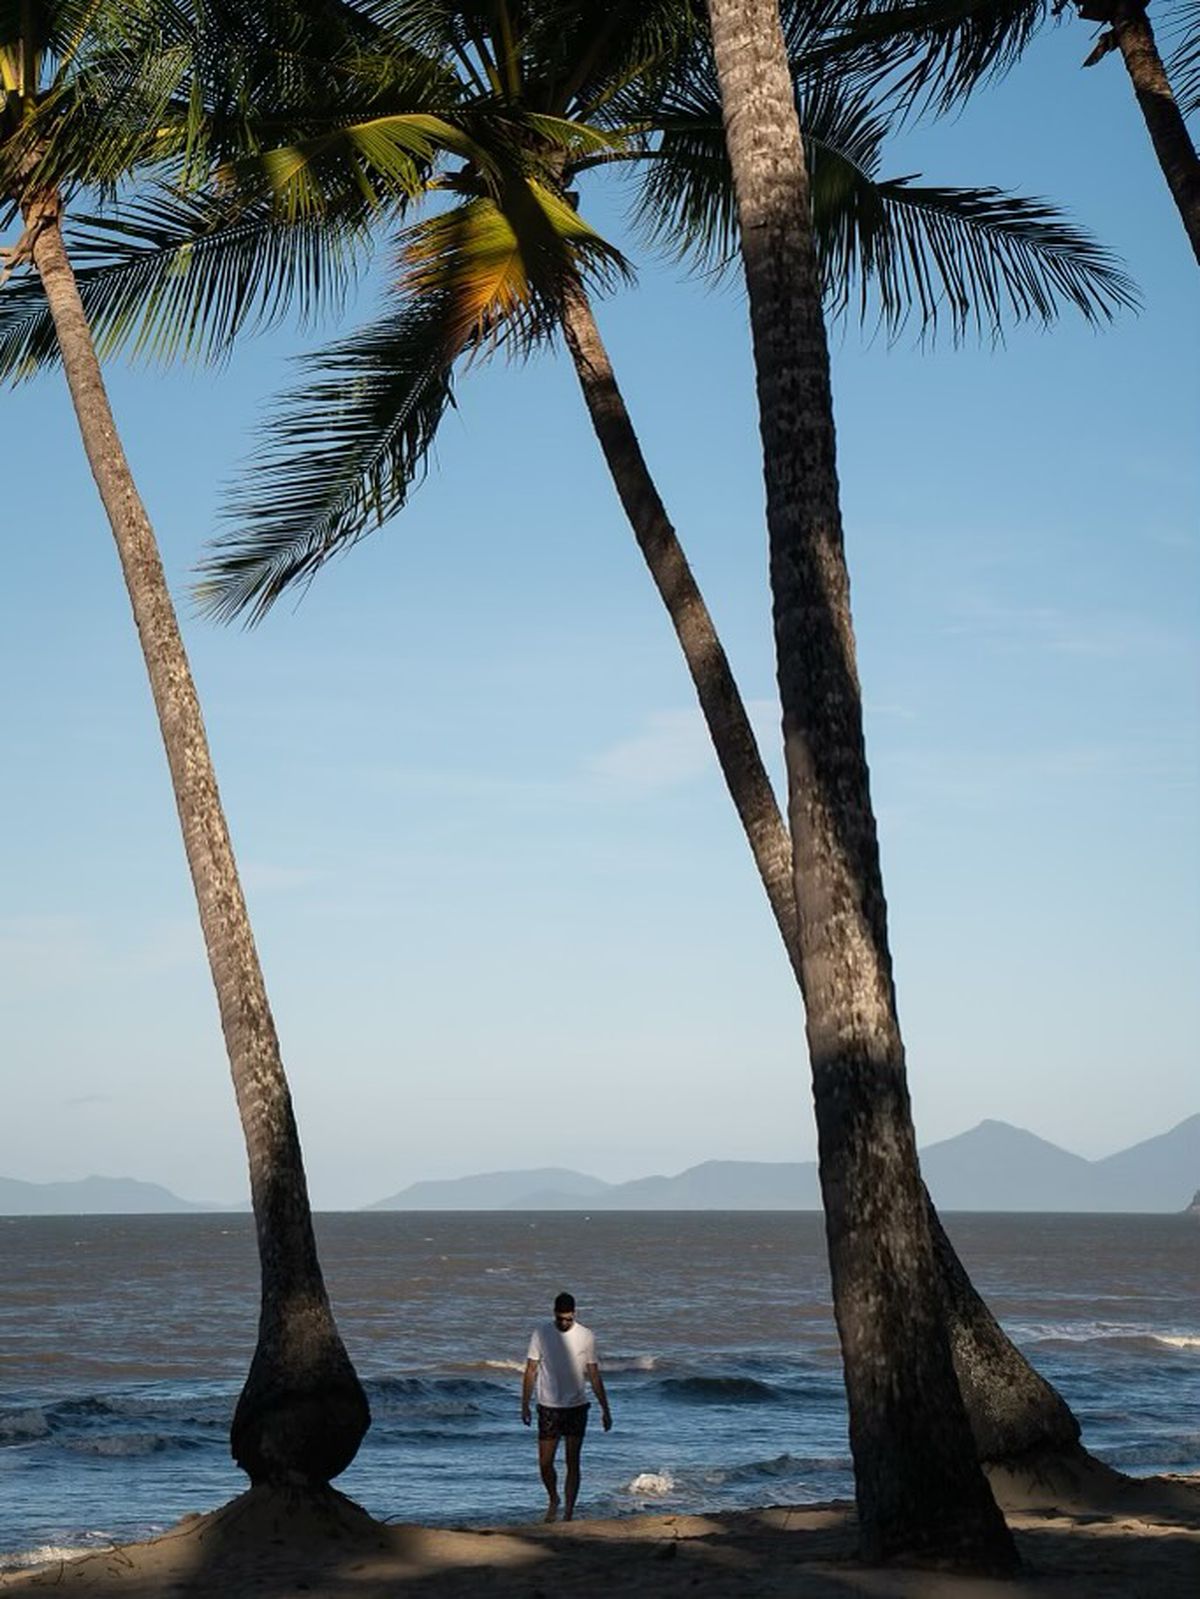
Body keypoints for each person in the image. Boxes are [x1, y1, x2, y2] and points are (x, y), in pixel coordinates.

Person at [521, 1290, 612, 1521]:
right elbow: (531, 1369)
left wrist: (605, 1408)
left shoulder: (586, 1335)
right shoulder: (541, 1333)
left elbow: (593, 1373)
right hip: (548, 1406)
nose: (564, 1323)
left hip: (576, 1406)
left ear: (575, 1314)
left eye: (568, 1318)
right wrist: (525, 1404)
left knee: (573, 1461)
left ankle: (569, 1513)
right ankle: (553, 1498)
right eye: (560, 1318)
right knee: (545, 1463)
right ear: (554, 1313)